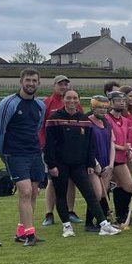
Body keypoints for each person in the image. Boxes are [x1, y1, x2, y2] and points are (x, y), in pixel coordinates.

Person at [43, 90, 123, 237]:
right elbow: (49, 144)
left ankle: (103, 225)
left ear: (79, 100)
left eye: (75, 98)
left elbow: (89, 145)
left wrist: (90, 164)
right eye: (69, 98)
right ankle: (66, 226)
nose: (72, 101)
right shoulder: (54, 118)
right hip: (60, 165)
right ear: (64, 99)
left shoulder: (84, 119)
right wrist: (51, 165)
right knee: (61, 195)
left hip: (79, 165)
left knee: (90, 195)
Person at [0, 67, 47, 245]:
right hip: (15, 154)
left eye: (34, 80)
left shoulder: (40, 105)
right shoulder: (9, 103)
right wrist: (5, 156)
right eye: (28, 80)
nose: (31, 84)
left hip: (34, 153)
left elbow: (36, 128)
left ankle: (22, 230)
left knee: (33, 193)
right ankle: (30, 234)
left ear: (38, 83)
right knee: (25, 191)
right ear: (21, 81)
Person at [40, 73, 76, 226]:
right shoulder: (47, 103)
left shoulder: (74, 102)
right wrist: (44, 146)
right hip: (53, 150)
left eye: (66, 84)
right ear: (54, 85)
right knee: (52, 181)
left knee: (71, 180)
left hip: (71, 151)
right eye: (60, 84)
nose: (63, 87)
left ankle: (70, 211)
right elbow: (40, 127)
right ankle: (49, 213)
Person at [106, 92, 132, 224]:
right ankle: (103, 216)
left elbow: (127, 139)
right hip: (107, 158)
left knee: (129, 186)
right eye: (117, 100)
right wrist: (122, 147)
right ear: (111, 103)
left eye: (122, 100)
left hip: (120, 159)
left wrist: (128, 150)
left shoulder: (125, 120)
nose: (121, 102)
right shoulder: (106, 118)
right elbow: (108, 141)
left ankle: (121, 214)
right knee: (103, 188)